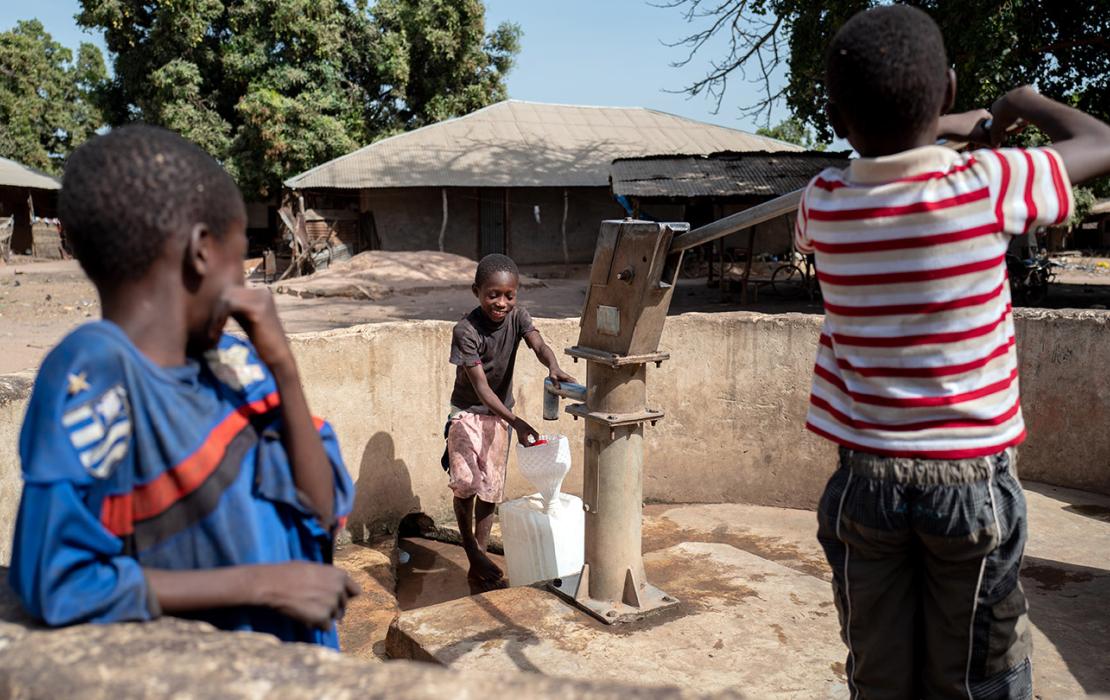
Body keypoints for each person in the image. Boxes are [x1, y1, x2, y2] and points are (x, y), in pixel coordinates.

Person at [796, 6, 1110, 698]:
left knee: (879, 677)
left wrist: (934, 122)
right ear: (945, 92)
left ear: (840, 117)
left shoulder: (822, 201)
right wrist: (1014, 105)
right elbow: (1100, 140)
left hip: (864, 485)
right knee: (978, 678)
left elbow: (883, 153)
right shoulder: (988, 184)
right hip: (969, 487)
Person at [8, 124, 360, 648]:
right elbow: (58, 580)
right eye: (237, 261)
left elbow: (323, 508)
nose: (243, 284)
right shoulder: (98, 371)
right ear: (200, 252)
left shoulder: (235, 361)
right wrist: (261, 585)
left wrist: (285, 367)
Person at [444, 254, 575, 589]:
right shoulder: (466, 330)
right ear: (477, 291)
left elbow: (539, 344)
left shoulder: (518, 317)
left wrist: (554, 366)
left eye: (508, 295)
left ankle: (481, 557)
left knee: (489, 488)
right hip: (468, 413)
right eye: (493, 295)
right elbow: (483, 390)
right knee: (465, 482)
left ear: (516, 295)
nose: (501, 303)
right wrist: (518, 423)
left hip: (499, 418)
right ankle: (472, 550)